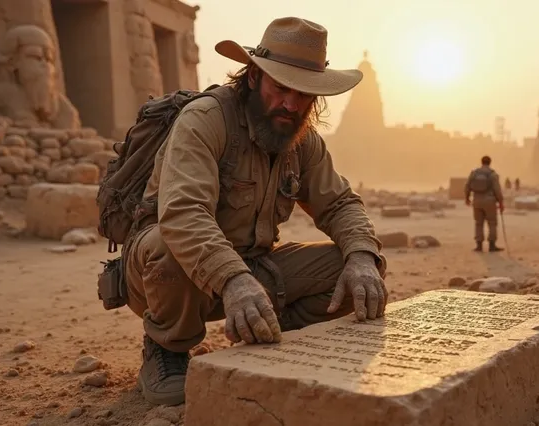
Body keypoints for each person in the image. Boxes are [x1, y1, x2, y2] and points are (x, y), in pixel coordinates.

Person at [122, 17, 387, 406]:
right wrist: (233, 280)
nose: (291, 104)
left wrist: (363, 257)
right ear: (252, 77)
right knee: (167, 244)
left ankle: (268, 333)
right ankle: (167, 348)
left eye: (304, 94)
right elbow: (183, 215)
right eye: (281, 88)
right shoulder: (205, 121)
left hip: (253, 272)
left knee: (349, 265)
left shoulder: (302, 140)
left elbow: (341, 204)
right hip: (167, 275)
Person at [464, 155, 504, 252]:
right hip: (489, 200)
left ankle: (479, 245)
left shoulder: (474, 173)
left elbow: (467, 186)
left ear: (481, 162)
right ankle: (492, 245)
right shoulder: (492, 174)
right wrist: (501, 202)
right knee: (492, 223)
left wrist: (467, 198)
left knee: (478, 223)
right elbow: (497, 190)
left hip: (477, 200)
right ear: (490, 162)